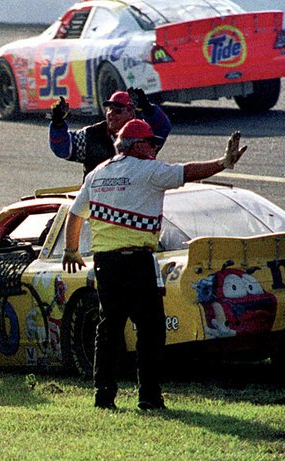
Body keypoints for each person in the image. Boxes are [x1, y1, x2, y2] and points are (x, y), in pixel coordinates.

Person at [62, 120, 247, 410]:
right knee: (150, 330)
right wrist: (223, 162)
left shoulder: (97, 174)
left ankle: (103, 397)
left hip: (105, 263)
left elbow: (75, 214)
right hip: (138, 261)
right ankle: (149, 396)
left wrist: (71, 250)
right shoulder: (148, 171)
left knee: (108, 328)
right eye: (151, 143)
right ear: (137, 146)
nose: (155, 148)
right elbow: (187, 172)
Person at [49, 88, 172, 179]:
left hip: (134, 198)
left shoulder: (143, 135)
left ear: (131, 113)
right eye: (109, 110)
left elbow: (163, 127)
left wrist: (148, 108)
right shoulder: (91, 135)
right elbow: (63, 148)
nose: (111, 114)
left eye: (117, 111)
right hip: (97, 201)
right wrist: (58, 123)